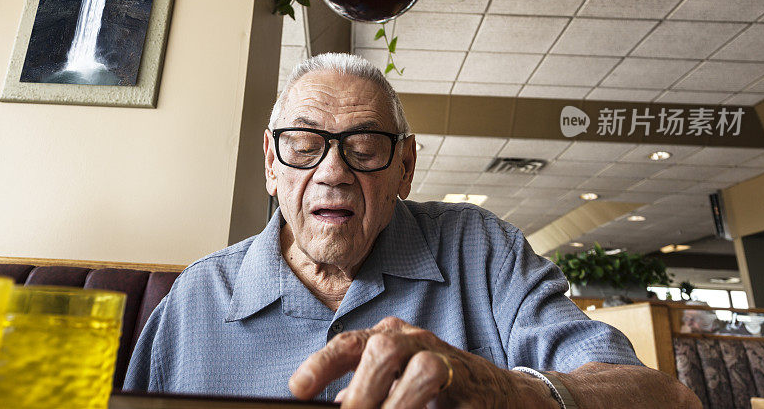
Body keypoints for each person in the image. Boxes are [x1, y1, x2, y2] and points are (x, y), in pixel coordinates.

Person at [124, 53, 700, 408]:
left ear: (406, 166)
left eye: (366, 149)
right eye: (303, 147)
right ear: (271, 166)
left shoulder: (483, 252)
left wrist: (511, 394)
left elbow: (666, 399)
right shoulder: (195, 299)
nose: (332, 173)